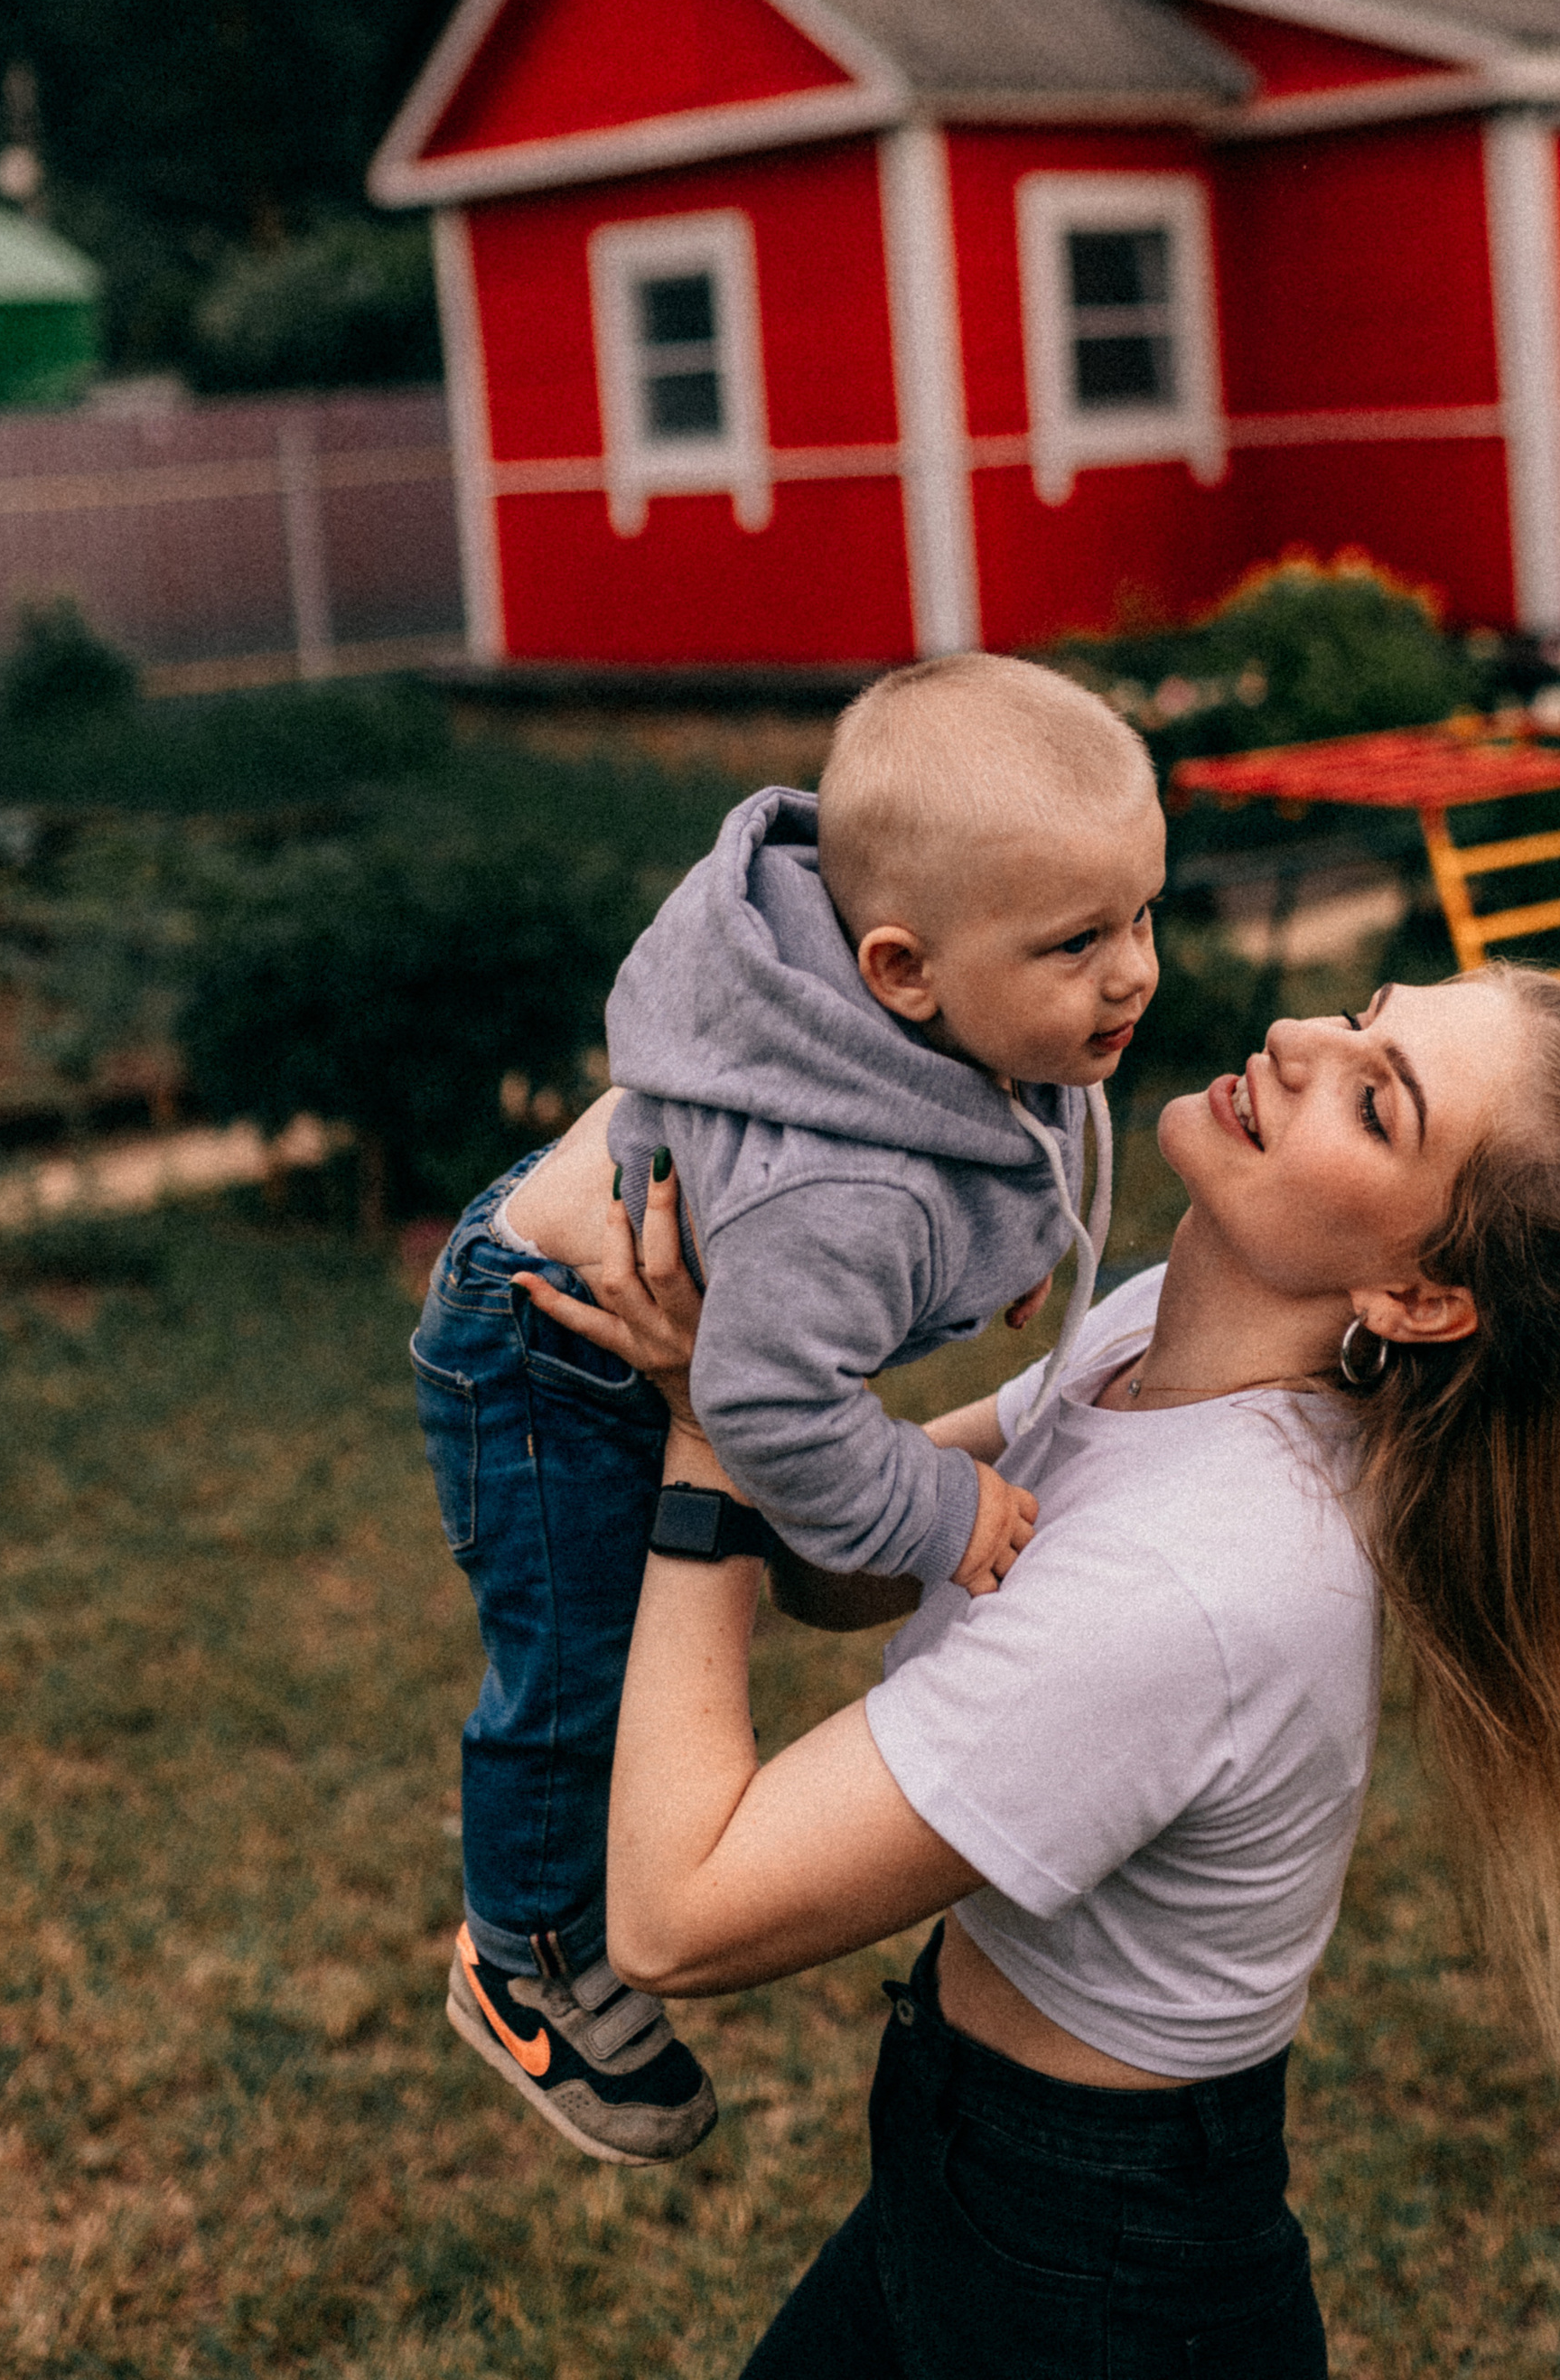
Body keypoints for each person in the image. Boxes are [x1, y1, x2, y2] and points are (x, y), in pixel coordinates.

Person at [517, 959, 1560, 2375]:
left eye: (1375, 1101)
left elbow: (679, 1919)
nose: (1297, 1040)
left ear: (1415, 1295)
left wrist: (712, 1425)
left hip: (1099, 2281)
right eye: (1362, 1016)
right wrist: (772, 1348)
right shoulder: (1159, 1330)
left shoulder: (1204, 1584)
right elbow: (856, 1562)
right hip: (972, 2171)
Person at [410, 654, 1164, 2164]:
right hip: (547, 1341)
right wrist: (945, 1508)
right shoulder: (848, 1195)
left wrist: (1018, 1247)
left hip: (700, 1291)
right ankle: (525, 1958)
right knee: (580, 1666)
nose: (1135, 971)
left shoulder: (994, 1018)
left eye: (1145, 912)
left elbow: (1040, 1119)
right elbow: (768, 1408)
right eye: (1081, 940)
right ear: (899, 974)